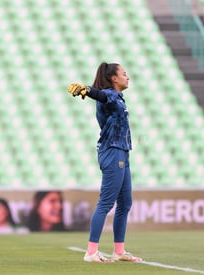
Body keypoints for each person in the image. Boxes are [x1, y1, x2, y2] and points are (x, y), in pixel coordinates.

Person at [68, 62, 142, 263]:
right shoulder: (110, 95)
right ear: (114, 79)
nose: (128, 77)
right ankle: (91, 251)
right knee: (106, 202)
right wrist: (86, 90)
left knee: (125, 203)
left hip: (122, 152)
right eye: (124, 74)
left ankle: (119, 251)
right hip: (112, 151)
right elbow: (99, 94)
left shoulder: (117, 97)